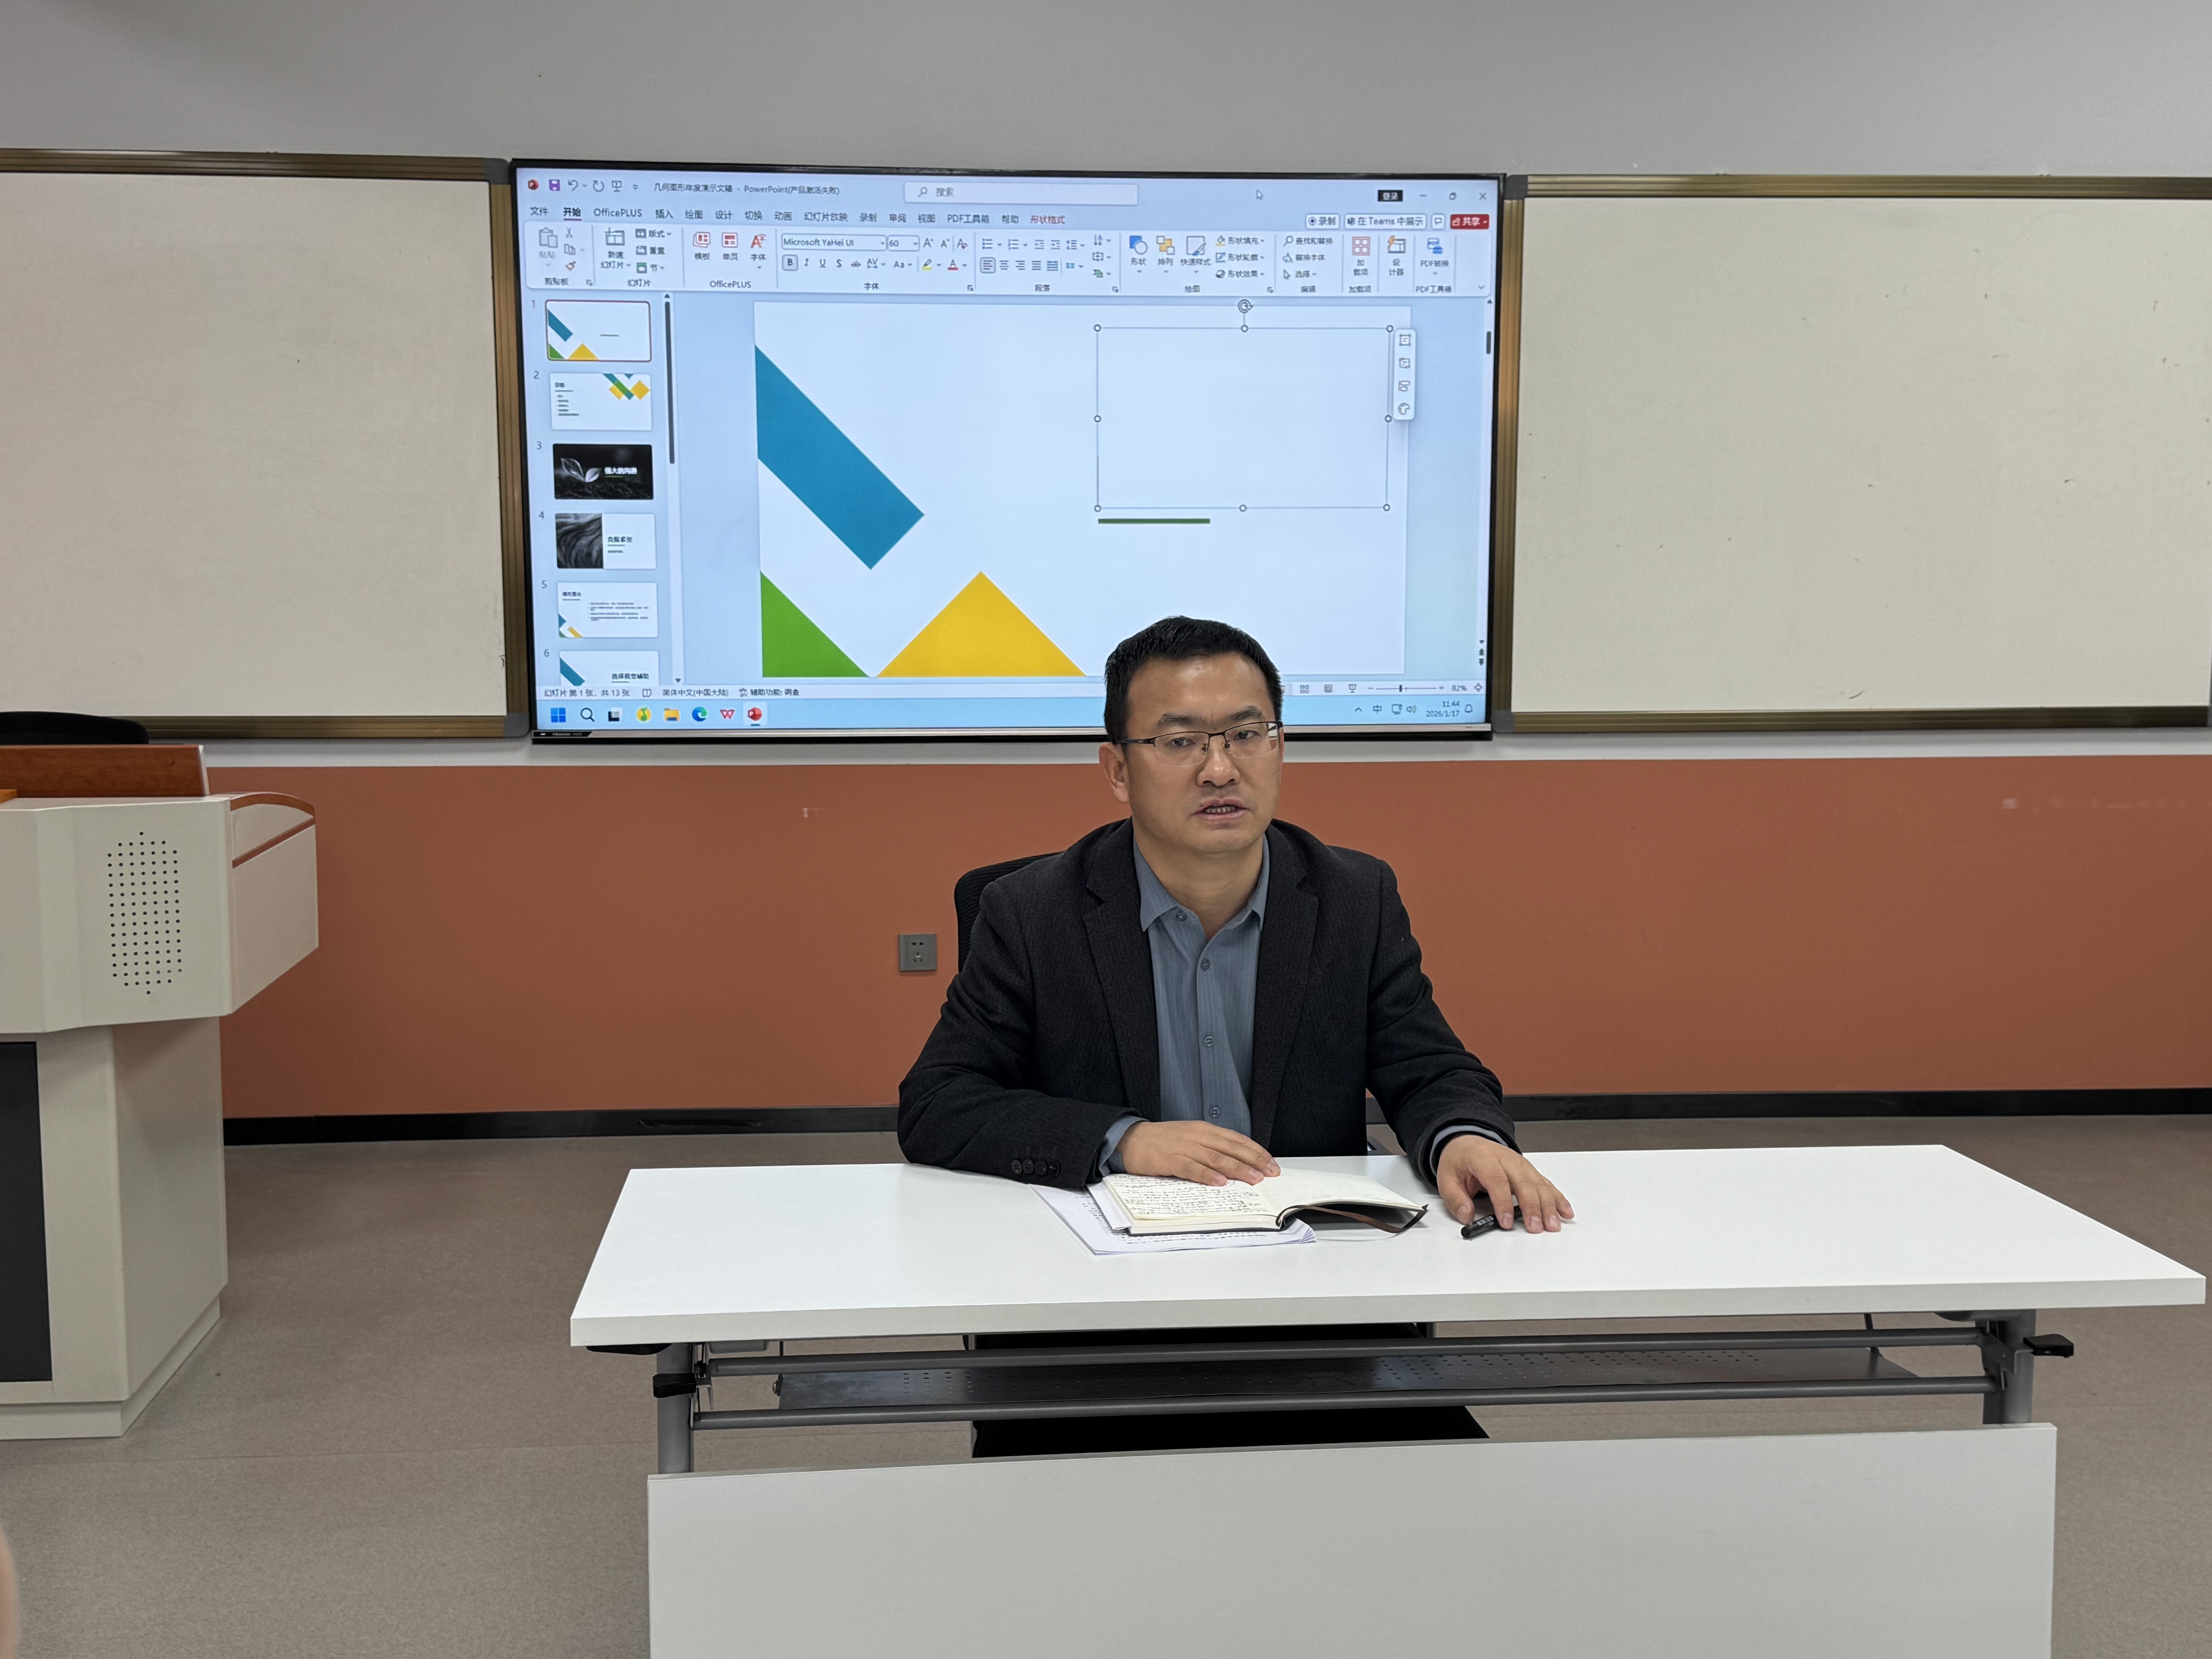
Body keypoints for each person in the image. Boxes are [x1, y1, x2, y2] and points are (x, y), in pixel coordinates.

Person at [898, 615, 1570, 1237]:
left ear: (1280, 748)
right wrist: (1125, 1140)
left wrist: (1464, 1136)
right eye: (1179, 742)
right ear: (1118, 770)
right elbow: (939, 1102)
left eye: (1247, 736)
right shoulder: (1033, 911)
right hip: (1112, 1263)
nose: (1219, 770)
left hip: (1308, 1255)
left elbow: (1428, 1068)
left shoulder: (1353, 898)